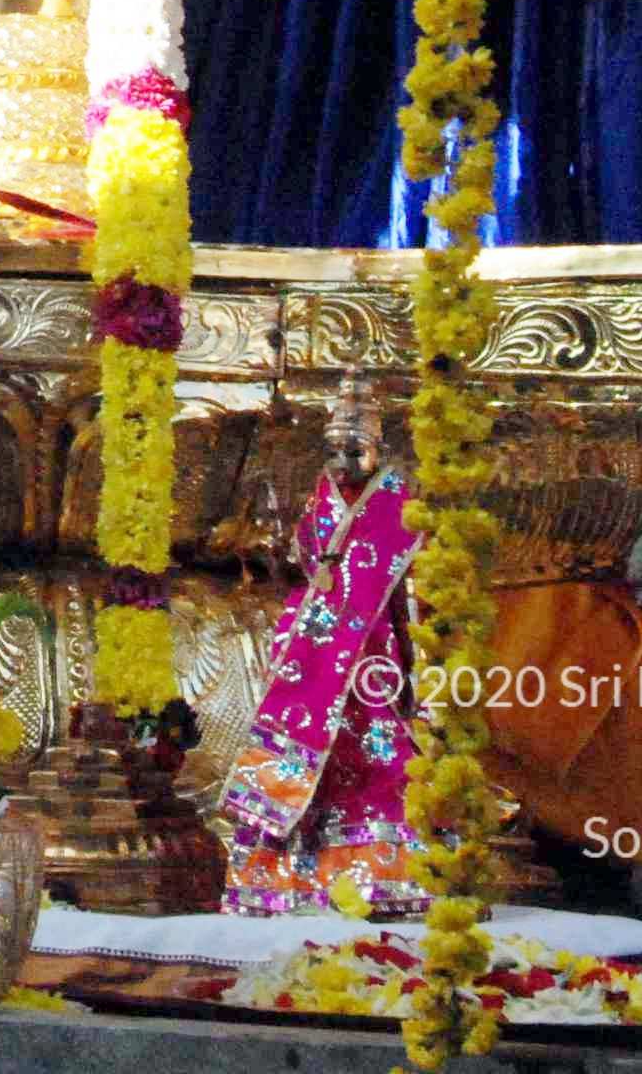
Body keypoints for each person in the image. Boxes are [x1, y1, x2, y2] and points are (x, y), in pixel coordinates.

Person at [218, 373, 428, 917]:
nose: (343, 462)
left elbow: (406, 590)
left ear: (377, 449)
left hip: (373, 656)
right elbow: (303, 564)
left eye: (354, 451)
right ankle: (289, 881)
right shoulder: (318, 500)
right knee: (311, 757)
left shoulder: (398, 506)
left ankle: (384, 878)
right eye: (335, 450)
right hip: (313, 652)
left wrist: (417, 665)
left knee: (381, 757)